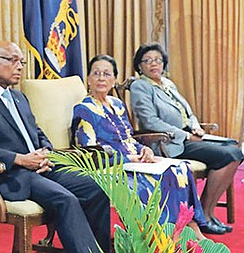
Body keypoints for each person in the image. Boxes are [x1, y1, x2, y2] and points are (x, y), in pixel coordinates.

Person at [0, 41, 111, 253]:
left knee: (96, 189)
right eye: (13, 60)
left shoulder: (19, 97)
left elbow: (36, 132)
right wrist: (18, 159)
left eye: (22, 61)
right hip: (6, 175)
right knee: (65, 199)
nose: (20, 66)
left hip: (41, 168)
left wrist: (46, 151)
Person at [72, 54, 215, 238]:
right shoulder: (84, 109)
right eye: (96, 73)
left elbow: (129, 137)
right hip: (111, 166)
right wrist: (128, 158)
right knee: (149, 182)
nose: (101, 78)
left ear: (114, 79)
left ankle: (189, 228)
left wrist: (144, 149)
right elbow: (90, 151)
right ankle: (161, 237)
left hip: (135, 161)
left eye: (107, 74)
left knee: (180, 169)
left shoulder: (117, 104)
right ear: (88, 79)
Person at [129, 42, 243, 234]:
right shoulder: (140, 87)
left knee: (233, 147)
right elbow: (150, 122)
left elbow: (187, 112)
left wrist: (195, 126)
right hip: (168, 143)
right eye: (147, 61)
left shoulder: (167, 84)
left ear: (163, 63)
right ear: (139, 66)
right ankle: (204, 215)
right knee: (230, 154)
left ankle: (207, 212)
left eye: (157, 60)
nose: (153, 64)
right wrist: (185, 134)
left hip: (188, 138)